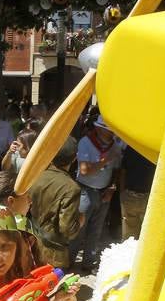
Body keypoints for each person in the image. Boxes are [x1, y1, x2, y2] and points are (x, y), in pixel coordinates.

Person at [68, 115, 122, 273]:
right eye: (108, 131)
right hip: (85, 190)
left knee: (96, 229)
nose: (111, 134)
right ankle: (70, 260)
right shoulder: (86, 143)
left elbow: (117, 170)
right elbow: (84, 171)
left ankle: (88, 262)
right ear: (99, 129)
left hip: (104, 191)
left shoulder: (114, 146)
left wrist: (112, 188)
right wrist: (105, 161)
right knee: (79, 229)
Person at [25, 136, 82, 270]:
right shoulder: (71, 188)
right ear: (74, 158)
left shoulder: (34, 174)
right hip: (53, 253)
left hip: (30, 243)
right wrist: (80, 220)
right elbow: (67, 228)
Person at [120, 145, 156, 239]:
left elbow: (123, 170)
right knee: (146, 231)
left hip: (137, 195)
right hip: (145, 196)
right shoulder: (154, 148)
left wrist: (122, 192)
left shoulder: (132, 147)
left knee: (130, 232)